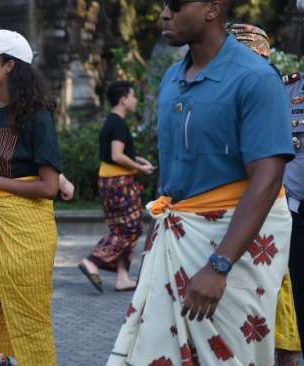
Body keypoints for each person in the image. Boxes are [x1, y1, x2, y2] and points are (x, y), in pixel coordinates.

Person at [107, 1, 294, 365]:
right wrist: (155, 237)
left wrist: (219, 265)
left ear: (212, 9)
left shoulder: (255, 78)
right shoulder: (172, 79)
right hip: (174, 238)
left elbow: (268, 179)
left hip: (233, 256)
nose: (164, 14)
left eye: (175, 5)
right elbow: (172, 170)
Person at [0, 29, 62, 365]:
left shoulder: (38, 114)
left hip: (28, 231)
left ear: (10, 66)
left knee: (31, 323)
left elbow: (49, 186)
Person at [228, 23, 303, 366]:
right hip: (259, 213)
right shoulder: (280, 90)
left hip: (272, 212)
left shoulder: (272, 87)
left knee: (275, 303)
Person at [78, 81, 155, 293]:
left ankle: (122, 277)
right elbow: (117, 155)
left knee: (121, 228)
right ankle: (93, 261)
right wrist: (140, 170)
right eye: (133, 96)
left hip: (110, 181)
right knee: (129, 228)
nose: (135, 100)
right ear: (123, 99)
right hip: (120, 183)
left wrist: (138, 161)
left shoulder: (111, 121)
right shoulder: (118, 123)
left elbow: (119, 154)